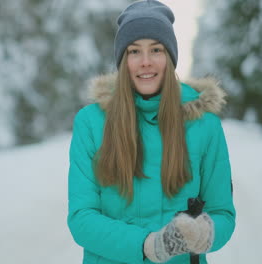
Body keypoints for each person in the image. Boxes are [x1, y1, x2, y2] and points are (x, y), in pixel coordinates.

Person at [66, 1, 236, 263]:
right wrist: (148, 245)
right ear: (123, 60)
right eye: (134, 51)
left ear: (169, 57)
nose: (145, 62)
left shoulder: (204, 124)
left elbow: (222, 212)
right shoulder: (91, 122)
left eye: (156, 49)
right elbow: (82, 217)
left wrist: (205, 233)